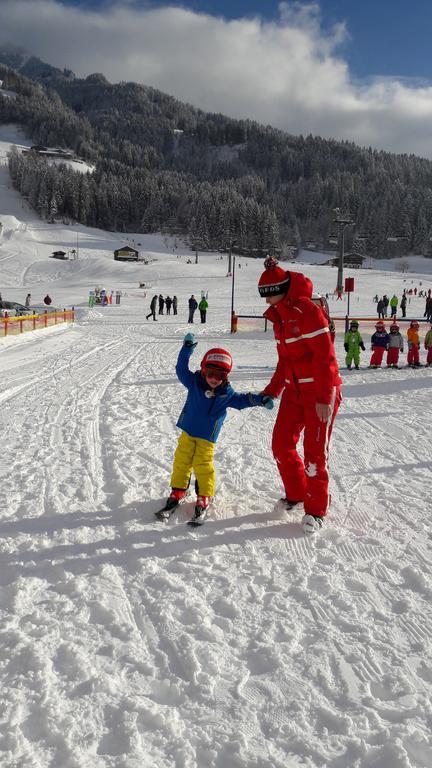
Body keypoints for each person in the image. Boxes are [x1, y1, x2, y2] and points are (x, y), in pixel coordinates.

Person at [258, 257, 341, 535]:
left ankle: (316, 510)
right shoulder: (280, 317)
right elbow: (285, 362)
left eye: (268, 296)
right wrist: (272, 390)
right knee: (281, 444)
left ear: (279, 291)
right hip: (294, 392)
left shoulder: (307, 311)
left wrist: (324, 398)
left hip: (319, 392)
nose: (267, 303)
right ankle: (297, 493)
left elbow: (325, 357)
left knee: (315, 454)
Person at [158, 335, 273, 524]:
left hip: (206, 438)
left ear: (225, 376)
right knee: (182, 461)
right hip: (188, 431)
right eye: (210, 373)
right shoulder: (194, 382)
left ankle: (204, 495)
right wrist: (187, 349)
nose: (214, 379)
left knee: (203, 465)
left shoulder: (226, 394)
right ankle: (178, 490)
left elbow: (243, 400)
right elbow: (181, 370)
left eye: (220, 376)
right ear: (203, 369)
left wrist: (261, 400)